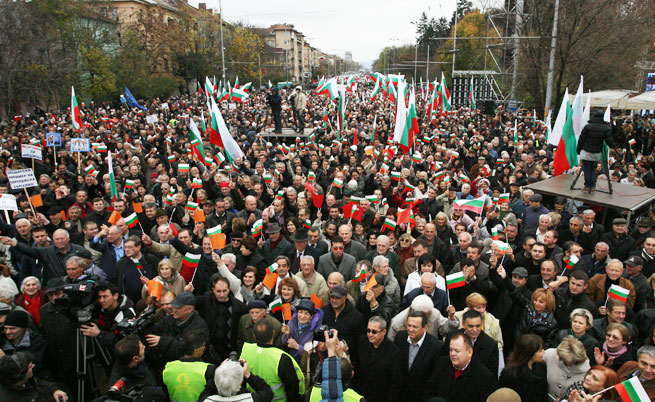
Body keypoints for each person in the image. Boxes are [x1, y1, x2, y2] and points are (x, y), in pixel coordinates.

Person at [239, 318, 305, 402]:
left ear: (254, 336)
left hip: (253, 399)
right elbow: (293, 388)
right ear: (273, 333)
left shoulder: (246, 350)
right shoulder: (282, 357)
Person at [423, 333, 498, 402]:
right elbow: (429, 390)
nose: (452, 354)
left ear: (469, 352)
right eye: (451, 350)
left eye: (457, 351)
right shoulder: (442, 363)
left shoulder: (484, 377)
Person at [146, 292, 210, 363]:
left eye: (178, 308)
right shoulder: (168, 320)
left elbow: (188, 348)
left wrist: (163, 342)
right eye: (174, 306)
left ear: (190, 309)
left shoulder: (199, 326)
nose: (174, 310)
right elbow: (155, 329)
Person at [195, 276, 247, 361]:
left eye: (224, 291)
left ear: (229, 290)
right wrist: (187, 292)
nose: (221, 294)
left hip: (230, 350)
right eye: (218, 291)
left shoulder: (239, 307)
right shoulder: (206, 301)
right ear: (213, 290)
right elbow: (190, 302)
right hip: (211, 350)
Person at [352, 316, 403, 402]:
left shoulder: (394, 353)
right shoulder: (362, 342)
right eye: (368, 331)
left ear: (384, 332)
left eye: (374, 332)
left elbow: (396, 384)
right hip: (361, 396)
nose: (370, 334)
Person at [393, 311, 441, 401]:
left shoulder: (435, 347)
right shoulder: (400, 338)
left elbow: (433, 378)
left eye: (415, 327)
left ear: (425, 327)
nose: (410, 329)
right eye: (409, 325)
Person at [163, 330, 214, 402]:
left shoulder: (168, 368)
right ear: (196, 350)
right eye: (203, 346)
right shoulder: (208, 369)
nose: (204, 348)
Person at [0, 351, 69, 402]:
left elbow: (39, 382)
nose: (33, 366)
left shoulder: (26, 380)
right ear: (19, 376)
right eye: (30, 367)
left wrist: (54, 390)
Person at [499, 334, 548, 402]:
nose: (543, 352)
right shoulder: (510, 374)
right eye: (540, 350)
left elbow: (544, 394)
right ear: (530, 353)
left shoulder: (541, 367)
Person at [577, 110, 616, 193]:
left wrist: (578, 149)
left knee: (587, 169)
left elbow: (581, 139)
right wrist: (614, 147)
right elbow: (609, 141)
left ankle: (587, 186)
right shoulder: (606, 128)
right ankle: (593, 186)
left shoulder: (588, 126)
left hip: (586, 150)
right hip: (597, 151)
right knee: (593, 169)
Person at [199, 359, 273, 402]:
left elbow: (208, 389)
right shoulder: (251, 399)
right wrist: (248, 375)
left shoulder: (206, 400)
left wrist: (221, 372)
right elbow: (267, 392)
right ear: (240, 382)